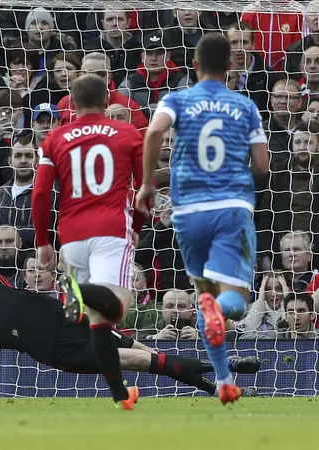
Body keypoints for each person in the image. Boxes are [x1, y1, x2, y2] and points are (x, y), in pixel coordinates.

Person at [0, 142, 260, 401]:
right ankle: (222, 368)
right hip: (59, 348)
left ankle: (214, 386)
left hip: (69, 318)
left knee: (143, 351)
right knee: (139, 360)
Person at [135, 33, 269, 405]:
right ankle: (219, 313)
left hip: (188, 212)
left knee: (202, 295)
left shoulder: (177, 99)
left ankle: (225, 381)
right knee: (234, 304)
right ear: (231, 66)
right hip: (231, 210)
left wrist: (148, 184)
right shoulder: (245, 107)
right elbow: (262, 166)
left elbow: (155, 132)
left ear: (193, 65)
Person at [31, 74, 146, 409]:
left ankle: (120, 396)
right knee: (118, 307)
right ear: (108, 99)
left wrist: (42, 240)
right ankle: (75, 292)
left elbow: (40, 194)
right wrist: (136, 225)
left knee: (98, 321)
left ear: (73, 102)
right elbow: (143, 188)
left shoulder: (55, 137)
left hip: (71, 234)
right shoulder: (127, 133)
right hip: (111, 228)